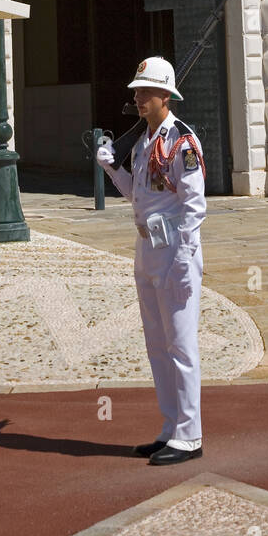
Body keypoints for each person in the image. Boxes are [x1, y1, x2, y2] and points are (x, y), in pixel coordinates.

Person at [96, 56, 206, 465]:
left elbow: (194, 205)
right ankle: (171, 428)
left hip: (175, 249)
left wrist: (185, 256)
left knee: (181, 344)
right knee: (158, 345)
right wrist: (112, 170)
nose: (137, 97)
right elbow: (138, 197)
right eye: (136, 91)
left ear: (165, 95)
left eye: (144, 91)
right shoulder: (144, 143)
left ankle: (190, 434)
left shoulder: (182, 141)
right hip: (147, 249)